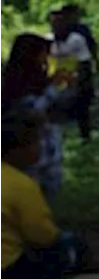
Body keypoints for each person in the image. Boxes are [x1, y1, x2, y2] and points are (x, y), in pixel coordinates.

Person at [0, 111, 99, 279]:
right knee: (72, 245)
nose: (40, 147)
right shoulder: (20, 184)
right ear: (16, 150)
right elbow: (43, 236)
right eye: (35, 141)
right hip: (7, 271)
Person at [0, 33, 73, 201]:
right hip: (30, 151)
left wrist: (66, 86)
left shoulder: (40, 80)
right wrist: (53, 88)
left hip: (49, 147)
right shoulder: (16, 85)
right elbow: (32, 112)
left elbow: (60, 104)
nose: (46, 58)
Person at [49, 9, 95, 142]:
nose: (56, 26)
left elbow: (84, 61)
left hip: (75, 77)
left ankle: (85, 136)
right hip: (56, 79)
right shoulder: (48, 40)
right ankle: (58, 136)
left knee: (82, 108)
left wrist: (80, 81)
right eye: (53, 23)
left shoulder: (76, 39)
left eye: (59, 22)